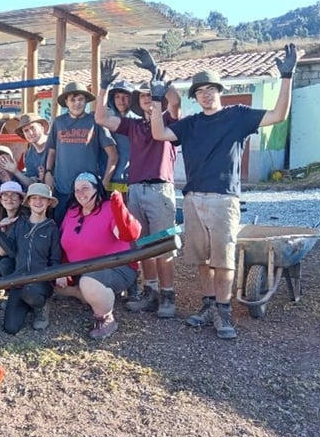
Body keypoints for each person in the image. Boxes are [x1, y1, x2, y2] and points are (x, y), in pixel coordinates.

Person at [149, 44, 298, 339]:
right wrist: (156, 100)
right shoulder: (190, 124)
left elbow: (279, 115)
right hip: (192, 199)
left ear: (219, 91)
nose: (206, 94)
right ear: (195, 96)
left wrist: (286, 76)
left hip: (223, 199)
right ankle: (207, 307)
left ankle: (224, 311)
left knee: (224, 259)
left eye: (210, 89)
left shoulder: (238, 116)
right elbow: (159, 133)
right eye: (200, 91)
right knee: (201, 259)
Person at [95, 53, 182, 318]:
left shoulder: (169, 120)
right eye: (143, 95)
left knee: (164, 245)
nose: (147, 98)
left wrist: (156, 71)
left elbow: (176, 100)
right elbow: (101, 117)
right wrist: (104, 87)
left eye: (150, 94)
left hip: (159, 189)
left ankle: (168, 295)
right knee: (143, 245)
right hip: (135, 189)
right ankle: (151, 291)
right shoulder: (132, 125)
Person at [56, 172, 141, 339]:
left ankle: (105, 318)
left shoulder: (110, 208)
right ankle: (85, 295)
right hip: (79, 269)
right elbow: (63, 244)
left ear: (97, 189)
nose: (80, 193)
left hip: (115, 268)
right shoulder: (72, 211)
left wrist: (119, 208)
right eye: (77, 190)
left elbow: (129, 234)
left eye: (85, 188)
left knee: (89, 282)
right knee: (51, 283)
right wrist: (62, 270)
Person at [0, 182, 61, 334]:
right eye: (34, 198)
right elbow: (11, 251)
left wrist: (57, 277)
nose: (38, 202)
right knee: (11, 327)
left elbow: (55, 259)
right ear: (28, 202)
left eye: (42, 198)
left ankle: (41, 307)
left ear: (48, 202)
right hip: (19, 280)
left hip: (41, 282)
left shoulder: (52, 228)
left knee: (30, 292)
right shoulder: (20, 223)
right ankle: (26, 303)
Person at [43, 81, 118, 223]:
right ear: (66, 102)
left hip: (89, 191)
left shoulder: (96, 122)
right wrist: (48, 172)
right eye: (73, 100)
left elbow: (113, 155)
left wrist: (104, 183)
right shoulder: (58, 122)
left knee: (89, 231)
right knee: (62, 230)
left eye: (80, 99)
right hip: (62, 188)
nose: (77, 103)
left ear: (86, 101)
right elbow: (52, 151)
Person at [13, 113, 50, 186]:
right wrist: (15, 171)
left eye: (33, 128)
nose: (30, 133)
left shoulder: (58, 144)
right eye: (26, 130)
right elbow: (33, 182)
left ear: (42, 128)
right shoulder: (28, 155)